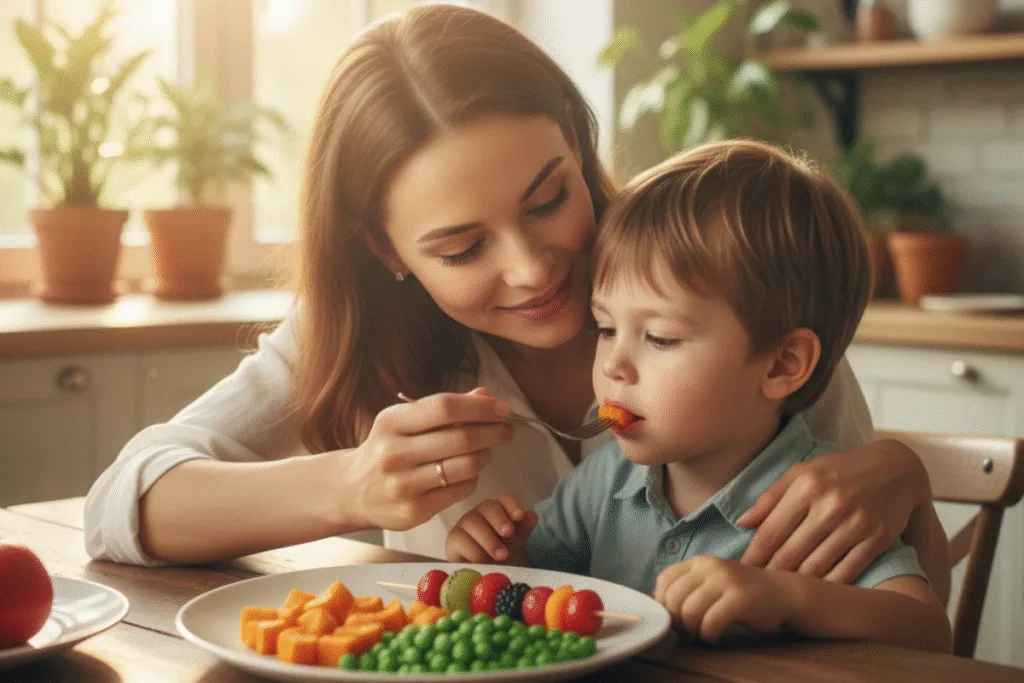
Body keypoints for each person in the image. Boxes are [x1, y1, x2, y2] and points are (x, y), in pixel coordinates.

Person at [83, 5, 948, 604]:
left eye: (548, 198)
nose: (534, 268)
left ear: (576, 140)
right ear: (385, 251)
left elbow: (907, 615)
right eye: (461, 248)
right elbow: (122, 500)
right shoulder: (364, 338)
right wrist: (350, 485)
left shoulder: (713, 286)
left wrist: (905, 480)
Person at [444, 140, 952, 652]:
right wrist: (503, 558)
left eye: (660, 338)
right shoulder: (604, 484)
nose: (613, 366)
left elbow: (929, 631)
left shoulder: (815, 505)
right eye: (604, 328)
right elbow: (538, 592)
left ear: (782, 364)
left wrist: (790, 597)